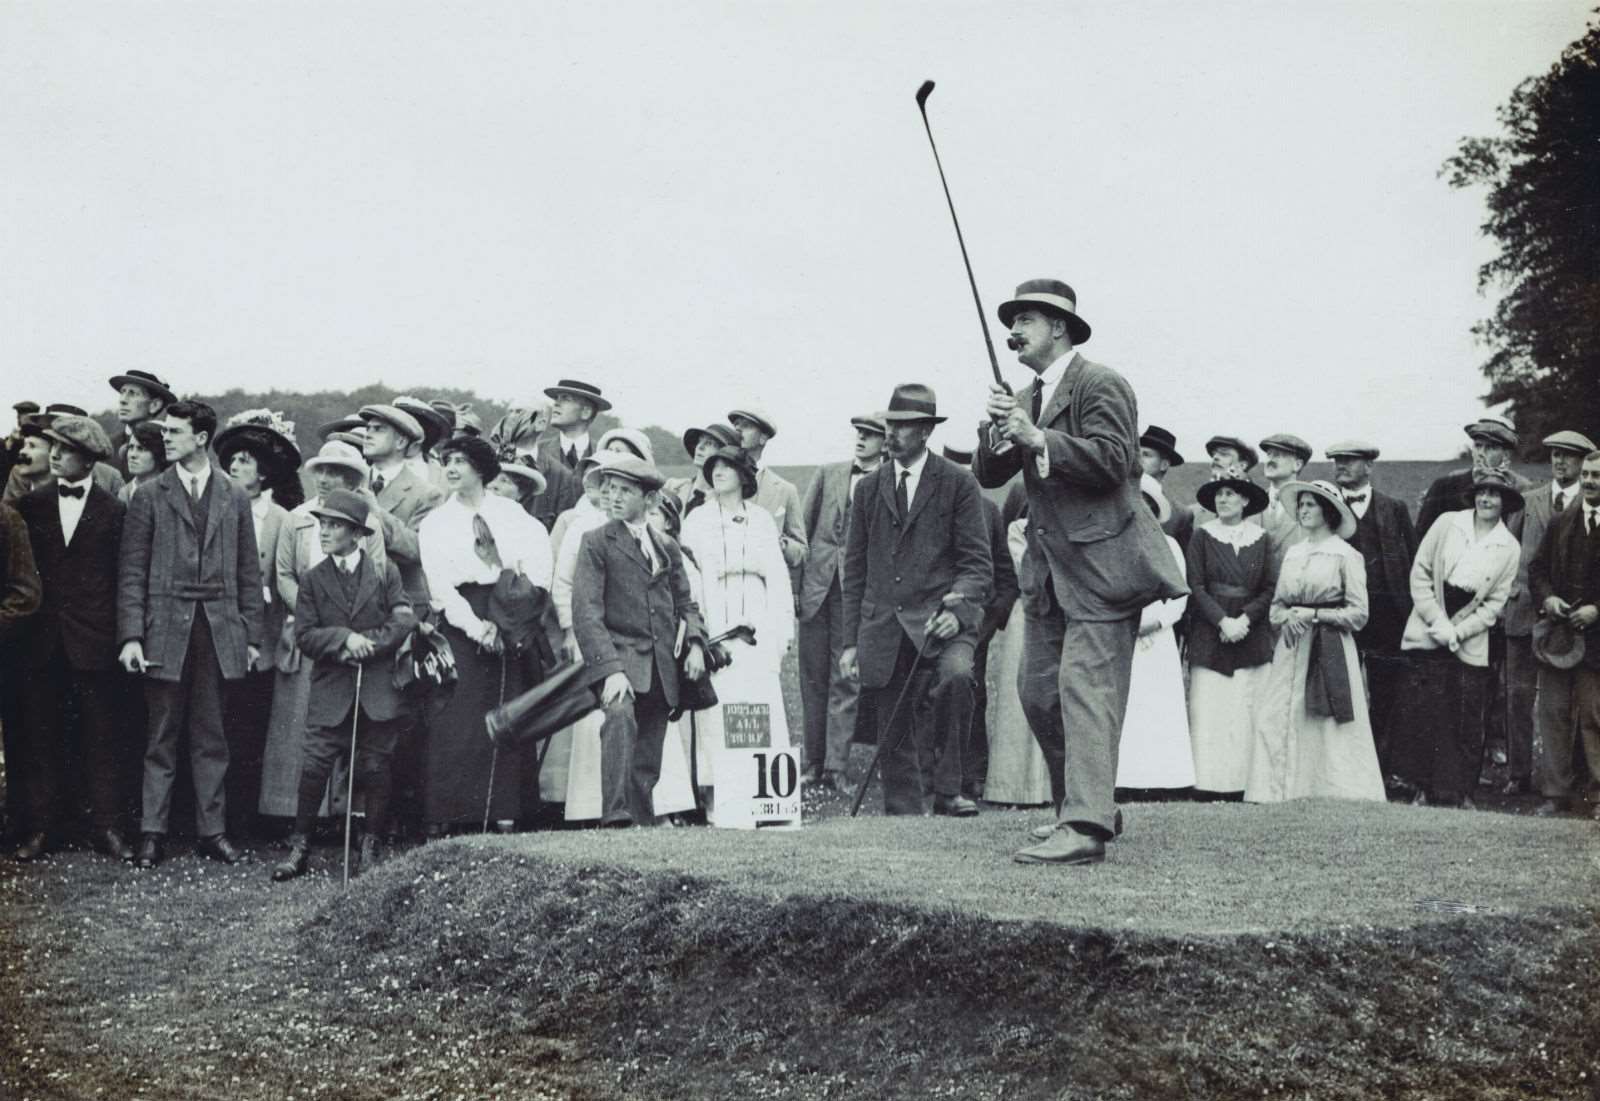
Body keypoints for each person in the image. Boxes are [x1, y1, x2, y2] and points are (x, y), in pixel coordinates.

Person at [974, 279, 1186, 865]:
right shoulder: (1025, 395)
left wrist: (1038, 437)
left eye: (1026, 321)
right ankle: (1084, 804)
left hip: (1103, 566)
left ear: (1060, 327)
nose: (1013, 332)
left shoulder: (1101, 383)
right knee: (1038, 691)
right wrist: (999, 431)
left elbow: (1117, 460)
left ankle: (1087, 826)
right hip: (1048, 573)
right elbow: (990, 475)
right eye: (1010, 322)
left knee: (1084, 688)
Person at [117, 400, 264, 868]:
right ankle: (152, 833)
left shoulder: (233, 495)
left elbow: (247, 572)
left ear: (201, 438)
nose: (167, 440)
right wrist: (131, 637)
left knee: (211, 735)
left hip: (218, 630)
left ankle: (212, 831)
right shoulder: (150, 494)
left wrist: (252, 636)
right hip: (164, 629)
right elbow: (132, 571)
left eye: (177, 432)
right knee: (160, 734)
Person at [841, 384, 990, 818]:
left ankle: (948, 789)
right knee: (892, 715)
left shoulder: (958, 484)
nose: (892, 433)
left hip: (942, 619)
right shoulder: (868, 489)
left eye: (903, 426)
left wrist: (956, 609)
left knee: (958, 678)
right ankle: (902, 809)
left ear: (925, 431)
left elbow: (977, 564)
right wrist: (851, 641)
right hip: (885, 622)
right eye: (891, 424)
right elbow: (854, 570)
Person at [271, 490, 414, 881]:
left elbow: (404, 617)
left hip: (377, 689)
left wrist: (374, 644)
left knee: (375, 765)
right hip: (332, 688)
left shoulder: (385, 573)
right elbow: (305, 634)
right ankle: (300, 845)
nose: (325, 532)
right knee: (315, 764)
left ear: (357, 534)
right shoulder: (314, 579)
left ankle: (371, 844)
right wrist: (343, 640)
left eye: (334, 526)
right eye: (323, 525)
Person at [418, 435, 552, 833]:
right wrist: (477, 629)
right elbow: (440, 588)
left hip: (511, 614)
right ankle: (450, 814)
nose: (452, 468)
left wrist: (513, 619)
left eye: (460, 460)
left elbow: (539, 567)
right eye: (447, 461)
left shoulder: (513, 516)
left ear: (481, 467)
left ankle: (506, 811)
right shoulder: (435, 523)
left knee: (508, 716)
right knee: (457, 719)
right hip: (463, 622)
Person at [12, 416, 131, 862]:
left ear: (88, 458)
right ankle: (44, 829)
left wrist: (118, 638)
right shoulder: (33, 504)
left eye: (64, 449)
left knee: (102, 738)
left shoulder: (113, 510)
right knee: (42, 737)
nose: (55, 455)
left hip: (94, 642)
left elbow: (121, 579)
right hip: (42, 643)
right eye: (53, 448)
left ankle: (108, 829)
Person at [572, 455, 708, 826]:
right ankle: (615, 817)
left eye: (625, 490)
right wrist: (611, 671)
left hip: (661, 666)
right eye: (609, 489)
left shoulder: (667, 546)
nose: (613, 497)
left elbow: (686, 603)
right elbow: (586, 614)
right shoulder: (596, 542)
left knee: (649, 754)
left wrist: (696, 643)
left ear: (649, 500)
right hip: (619, 662)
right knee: (618, 721)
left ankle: (641, 821)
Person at [259, 440, 388, 821]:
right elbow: (283, 574)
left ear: (351, 481)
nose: (326, 479)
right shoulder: (295, 519)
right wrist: (313, 614)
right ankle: (291, 817)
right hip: (307, 635)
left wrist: (347, 624)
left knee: (349, 724)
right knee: (300, 724)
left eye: (336, 473)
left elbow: (376, 575)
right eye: (322, 471)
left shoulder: (370, 526)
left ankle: (343, 813)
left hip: (352, 637)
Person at [1245, 479, 1385, 803]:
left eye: (1311, 504)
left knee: (1327, 722)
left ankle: (1330, 789)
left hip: (1331, 648)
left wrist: (1314, 616)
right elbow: (1277, 606)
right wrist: (1288, 617)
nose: (1303, 510)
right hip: (1291, 648)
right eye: (1301, 505)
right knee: (1278, 713)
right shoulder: (1294, 553)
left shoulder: (1346, 555)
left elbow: (1359, 614)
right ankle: (1279, 791)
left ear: (1328, 511)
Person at [1391, 470, 1521, 807]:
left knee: (1465, 717)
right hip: (1430, 626)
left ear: (1505, 501)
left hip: (1469, 639)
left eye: (1494, 494)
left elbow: (1494, 603)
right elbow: (1420, 571)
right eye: (1481, 492)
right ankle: (1422, 788)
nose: (1486, 499)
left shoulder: (1508, 546)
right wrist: (1437, 621)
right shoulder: (1448, 522)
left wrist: (1459, 631)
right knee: (1425, 711)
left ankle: (1461, 793)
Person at [680, 445, 795, 820]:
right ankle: (716, 799)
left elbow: (778, 576)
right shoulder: (696, 519)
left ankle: (762, 799)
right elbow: (690, 576)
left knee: (756, 705)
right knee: (719, 708)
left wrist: (780, 629)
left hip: (756, 614)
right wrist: (701, 631)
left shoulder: (761, 519)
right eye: (714, 467)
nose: (719, 472)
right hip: (716, 612)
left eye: (728, 466)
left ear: (745, 475)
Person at [214, 410, 301, 839]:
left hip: (264, 639)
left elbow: (285, 576)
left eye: (246, 460)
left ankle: (249, 820)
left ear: (265, 472)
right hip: (217, 634)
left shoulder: (284, 519)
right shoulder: (216, 511)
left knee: (253, 729)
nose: (235, 466)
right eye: (233, 460)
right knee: (216, 728)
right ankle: (211, 820)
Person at [1500, 430, 1596, 795]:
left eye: (1569, 456)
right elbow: (1512, 551)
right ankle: (1519, 775)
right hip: (1527, 611)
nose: (1560, 461)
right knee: (1521, 698)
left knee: (1579, 705)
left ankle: (1576, 781)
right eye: (1555, 454)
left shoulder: (1590, 505)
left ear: (1584, 462)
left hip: (1576, 621)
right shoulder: (1529, 501)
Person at [796, 414, 885, 790]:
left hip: (857, 595)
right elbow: (803, 530)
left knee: (845, 678)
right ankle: (812, 763)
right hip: (818, 590)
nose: (861, 440)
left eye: (870, 435)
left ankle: (837, 767)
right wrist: (797, 590)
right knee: (812, 678)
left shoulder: (888, 481)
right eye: (858, 434)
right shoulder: (828, 473)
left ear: (886, 441)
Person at [1323, 440, 1417, 786]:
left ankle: (1383, 769)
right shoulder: (1328, 509)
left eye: (1350, 461)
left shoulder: (1395, 509)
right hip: (1340, 616)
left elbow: (1413, 561)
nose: (1341, 466)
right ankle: (1342, 770)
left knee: (1387, 695)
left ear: (1369, 466)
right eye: (1337, 461)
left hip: (1387, 620)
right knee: (1340, 690)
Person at [1184, 467, 1275, 798]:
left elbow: (1268, 587)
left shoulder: (1262, 539)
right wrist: (1223, 622)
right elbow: (1195, 586)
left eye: (1230, 494)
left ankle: (1243, 784)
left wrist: (1245, 621)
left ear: (1245, 500)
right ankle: (1209, 785)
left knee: (1244, 710)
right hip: (1211, 633)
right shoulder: (1202, 536)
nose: (1223, 499)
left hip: (1251, 634)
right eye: (1219, 494)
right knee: (1212, 709)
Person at [941, 443, 1020, 801]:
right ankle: (932, 773)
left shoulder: (989, 513)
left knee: (973, 693)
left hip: (977, 625)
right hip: (931, 622)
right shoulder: (932, 509)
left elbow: (1005, 579)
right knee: (930, 695)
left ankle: (971, 773)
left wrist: (988, 622)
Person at [1527, 450, 1600, 818]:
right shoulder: (1561, 521)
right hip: (1559, 637)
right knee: (1553, 713)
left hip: (1598, 643)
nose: (1589, 481)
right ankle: (1555, 794)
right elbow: (1536, 569)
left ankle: (1597, 797)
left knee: (1594, 716)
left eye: (1597, 476)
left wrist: (1597, 609)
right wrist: (1549, 598)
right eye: (1586, 474)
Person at [1115, 475, 1193, 793]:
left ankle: (1164, 781)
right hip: (1123, 634)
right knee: (1127, 708)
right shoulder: (1113, 543)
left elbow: (1181, 594)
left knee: (1158, 709)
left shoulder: (1170, 545)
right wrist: (1127, 622)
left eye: (1146, 504)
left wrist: (1158, 623)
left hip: (1158, 639)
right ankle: (1124, 781)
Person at [982, 484, 1051, 806]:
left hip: (1063, 614)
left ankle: (1055, 788)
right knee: (1019, 694)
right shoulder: (1018, 531)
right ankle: (1013, 786)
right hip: (1030, 613)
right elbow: (1030, 574)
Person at [0, 498, 42, 843]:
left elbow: (26, 592)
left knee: (18, 743)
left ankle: (18, 823)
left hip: (5, 652)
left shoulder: (8, 520)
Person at [1416, 414, 1531, 537]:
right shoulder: (1447, 484)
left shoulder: (1523, 488)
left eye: (1491, 447)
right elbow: (1422, 535)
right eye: (1478, 446)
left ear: (1506, 454)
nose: (1481, 453)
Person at [727, 407, 808, 576]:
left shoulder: (785, 490)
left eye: (746, 426)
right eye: (736, 426)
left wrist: (780, 544)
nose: (738, 430)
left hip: (764, 588)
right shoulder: (716, 479)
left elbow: (801, 552)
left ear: (763, 438)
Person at [486, 405, 573, 532]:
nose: (510, 417)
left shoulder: (561, 475)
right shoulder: (481, 461)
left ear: (541, 423)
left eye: (518, 411)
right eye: (510, 412)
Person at [536, 379, 610, 516]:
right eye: (557, 398)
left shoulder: (604, 456)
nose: (556, 404)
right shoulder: (537, 451)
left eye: (566, 399)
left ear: (586, 412)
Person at [1257, 433, 1313, 575]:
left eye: (1278, 455)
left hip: (1295, 592)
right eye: (1269, 455)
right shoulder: (1252, 503)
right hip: (1256, 595)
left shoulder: (1311, 507)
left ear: (1297, 465)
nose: (1270, 460)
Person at [107, 370, 176, 477]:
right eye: (122, 392)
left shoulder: (170, 445)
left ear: (154, 405)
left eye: (132, 393)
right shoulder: (108, 447)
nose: (123, 400)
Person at [666, 423, 740, 515]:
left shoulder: (727, 503)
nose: (700, 447)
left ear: (725, 455)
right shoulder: (672, 487)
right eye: (699, 441)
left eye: (709, 443)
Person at [1187, 435, 1259, 528]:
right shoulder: (1193, 513)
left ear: (1242, 465)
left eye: (1224, 454)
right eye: (1214, 454)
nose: (1215, 457)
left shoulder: (1261, 513)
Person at [1138, 425, 1192, 548]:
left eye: (1146, 455)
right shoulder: (1117, 498)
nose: (1138, 459)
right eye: (1137, 453)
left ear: (1164, 465)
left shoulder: (1180, 514)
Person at [118, 420, 171, 504]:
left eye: (141, 449)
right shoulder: (124, 493)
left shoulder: (172, 490)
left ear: (158, 452)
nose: (132, 455)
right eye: (131, 447)